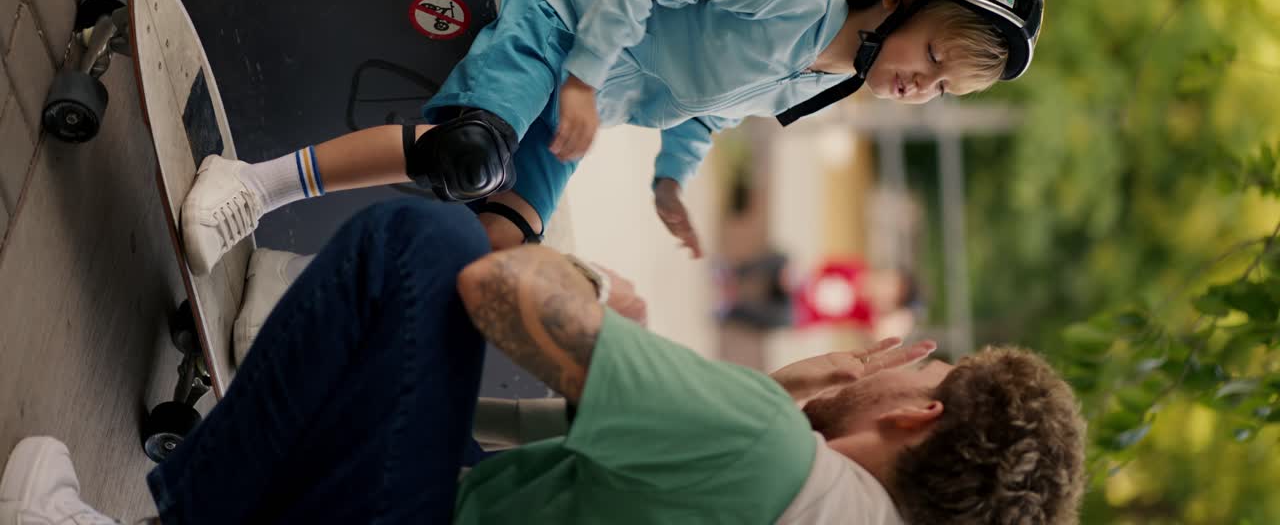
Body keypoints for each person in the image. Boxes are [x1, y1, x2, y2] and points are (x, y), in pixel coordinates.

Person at [2, 199, 1084, 524]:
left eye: (921, 375)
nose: (885, 367)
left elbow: (499, 292)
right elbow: (607, 478)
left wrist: (586, 286)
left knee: (426, 246)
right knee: (455, 422)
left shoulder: (773, 458)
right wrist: (774, 394)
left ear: (918, 418)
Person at [178, 0, 1045, 274]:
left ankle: (314, 295)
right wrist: (585, 77)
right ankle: (252, 184)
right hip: (563, 27)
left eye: (941, 89)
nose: (920, 86)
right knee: (467, 156)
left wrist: (671, 181)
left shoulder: (821, 78)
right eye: (933, 56)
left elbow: (709, 110)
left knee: (504, 251)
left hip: (584, 105)